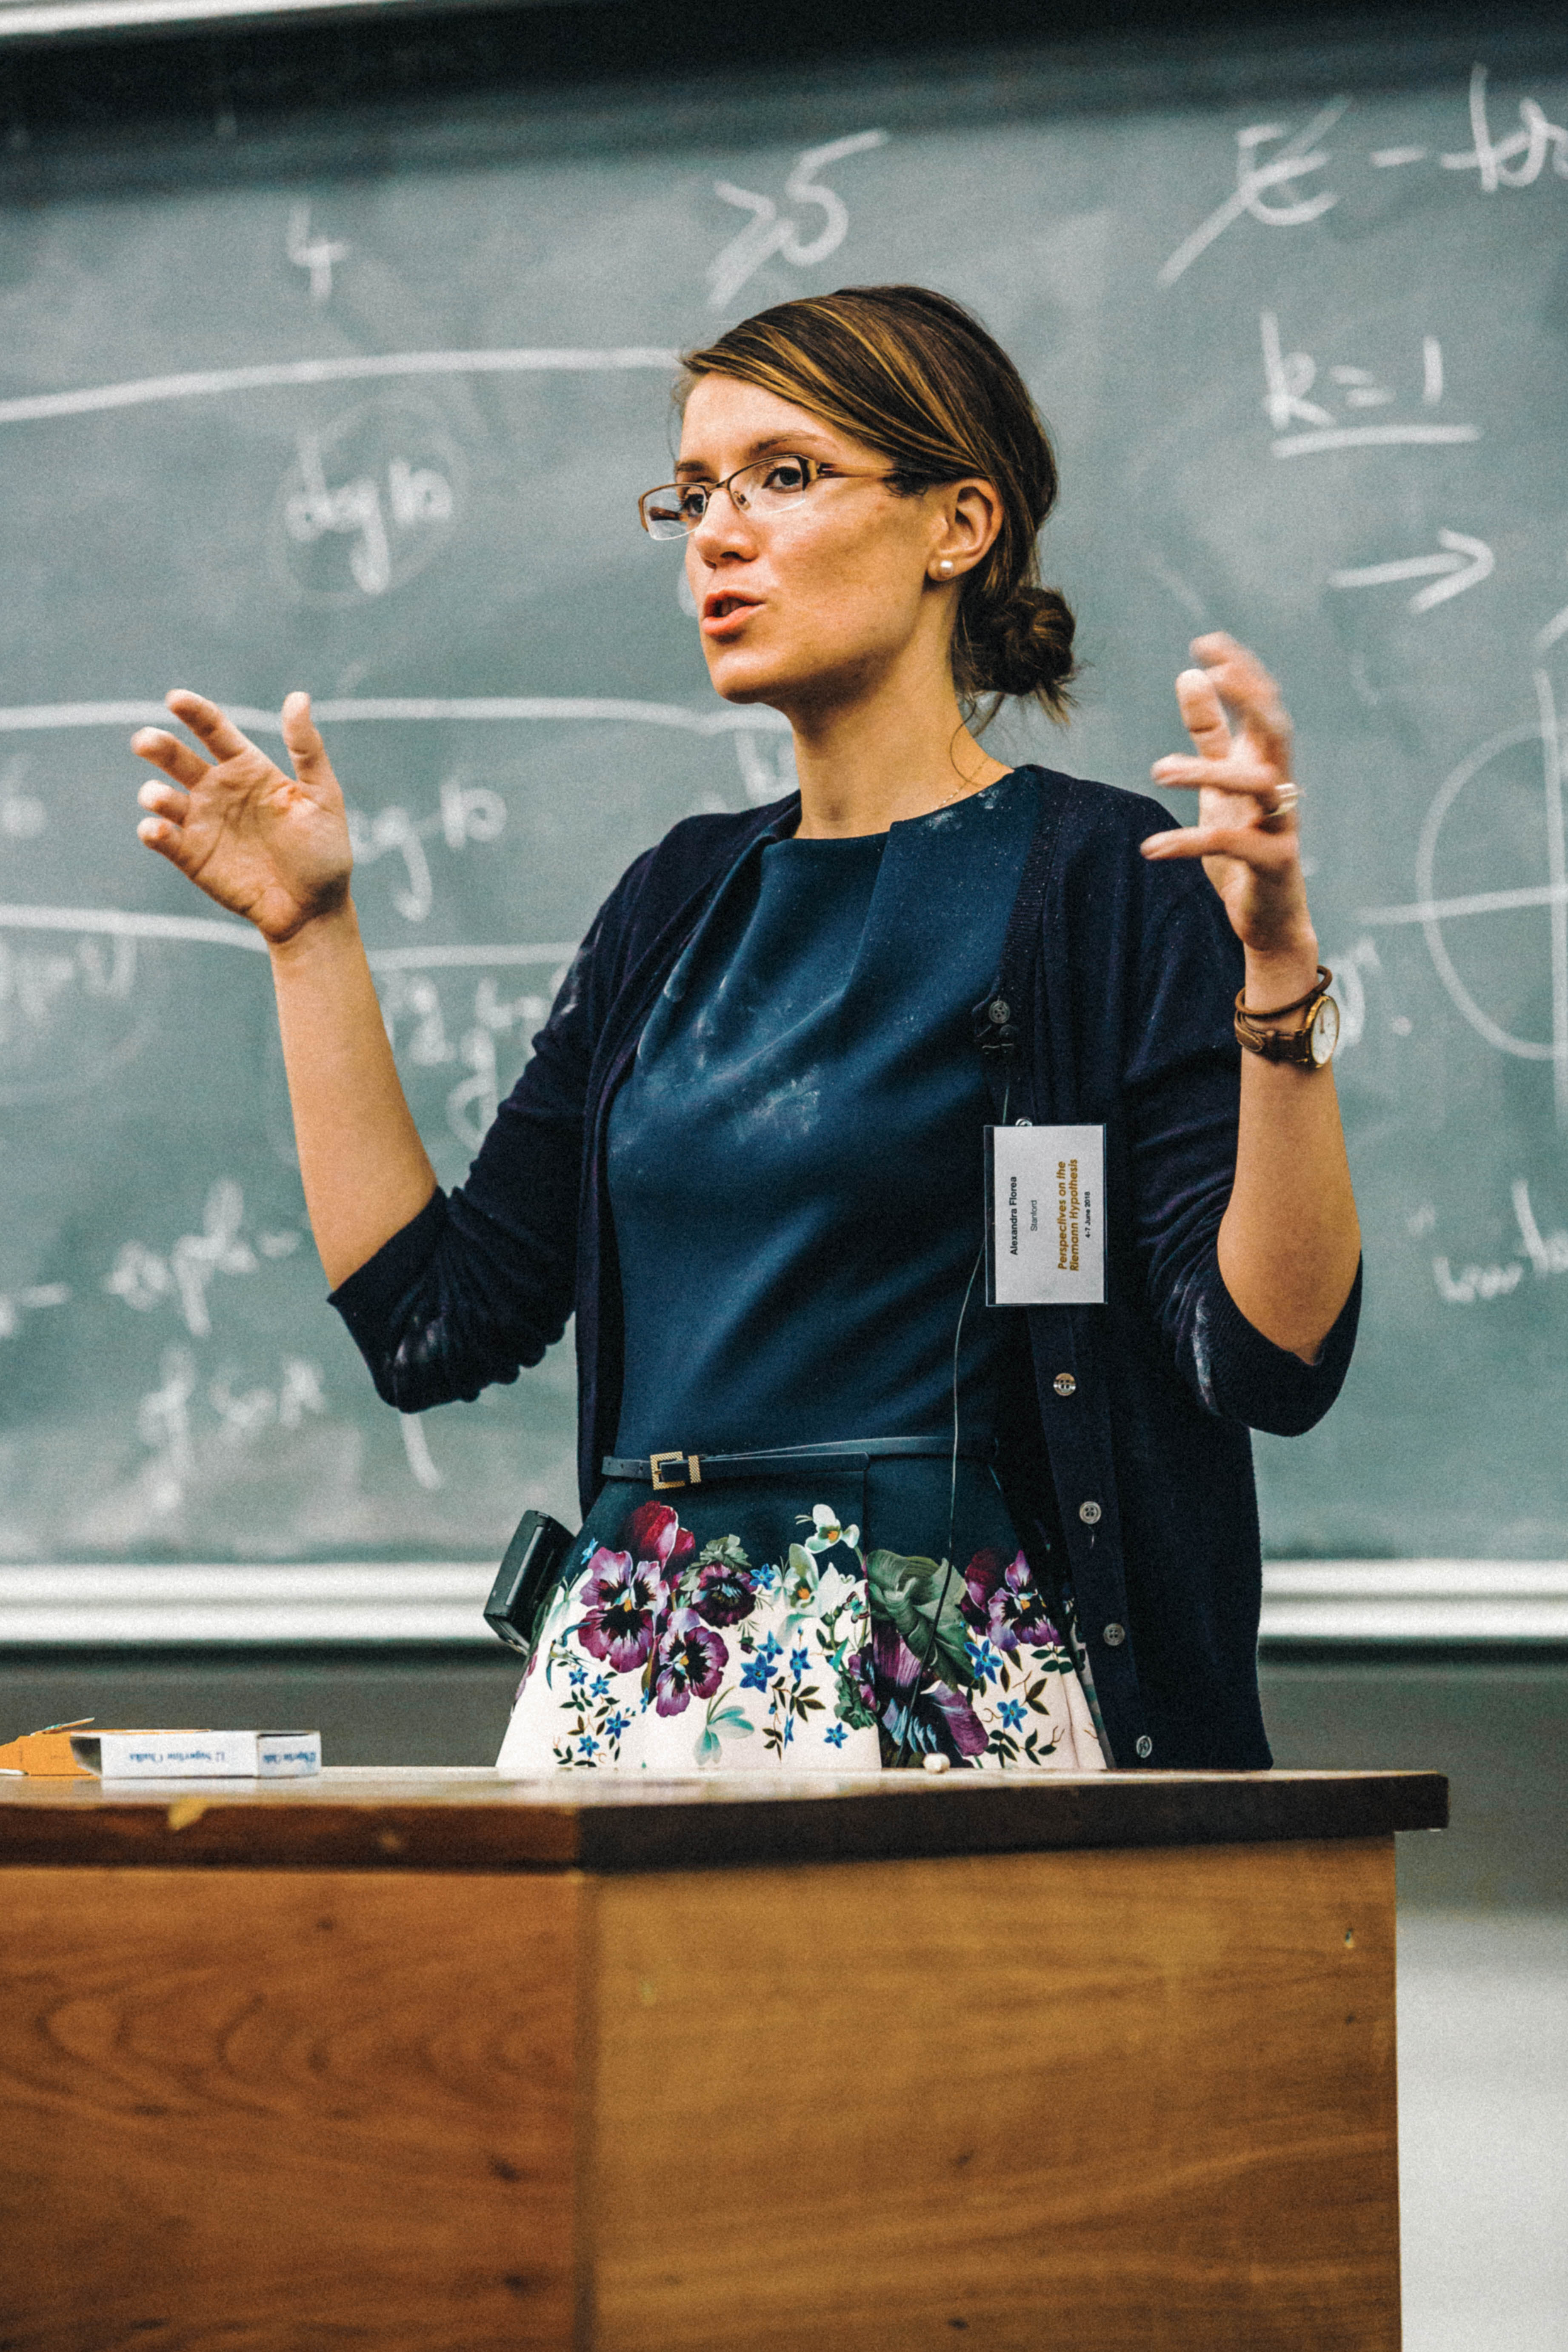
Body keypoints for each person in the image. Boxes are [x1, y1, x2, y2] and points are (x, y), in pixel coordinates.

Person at [131, 284, 1360, 1775]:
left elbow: (1264, 1360)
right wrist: (309, 936)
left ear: (956, 524)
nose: (718, 532)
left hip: (947, 1677)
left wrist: (1279, 982)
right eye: (697, 493)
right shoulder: (678, 898)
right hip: (638, 1663)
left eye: (784, 476)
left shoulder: (1101, 880)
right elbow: (430, 1324)